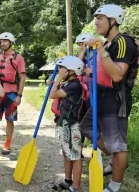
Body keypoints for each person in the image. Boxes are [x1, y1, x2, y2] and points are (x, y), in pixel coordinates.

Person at [80, 4, 139, 192]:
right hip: (101, 96)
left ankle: (114, 186)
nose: (96, 22)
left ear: (113, 21)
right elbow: (101, 71)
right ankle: (115, 158)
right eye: (96, 18)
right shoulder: (107, 44)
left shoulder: (123, 42)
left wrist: (101, 51)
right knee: (86, 126)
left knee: (118, 144)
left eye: (100, 18)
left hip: (116, 99)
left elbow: (117, 75)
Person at [49, 56, 85, 192]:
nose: (59, 70)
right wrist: (56, 80)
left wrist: (58, 79)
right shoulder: (68, 84)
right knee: (66, 153)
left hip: (72, 124)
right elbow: (54, 90)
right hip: (64, 123)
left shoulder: (74, 85)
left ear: (71, 70)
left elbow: (53, 94)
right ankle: (67, 180)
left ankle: (75, 186)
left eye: (62, 68)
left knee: (75, 155)